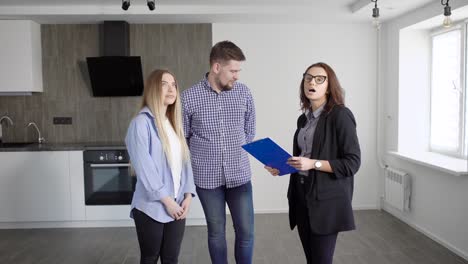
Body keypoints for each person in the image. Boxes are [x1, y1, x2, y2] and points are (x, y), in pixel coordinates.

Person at [265, 62, 361, 264]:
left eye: (319, 79)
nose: (312, 82)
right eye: (308, 78)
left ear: (329, 85)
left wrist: (313, 164)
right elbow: (303, 158)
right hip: (301, 195)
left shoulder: (341, 115)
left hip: (326, 201)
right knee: (311, 258)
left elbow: (352, 163)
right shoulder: (304, 119)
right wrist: (281, 166)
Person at [181, 40, 256, 264]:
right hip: (207, 179)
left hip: (240, 176)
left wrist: (232, 152)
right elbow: (184, 138)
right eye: (233, 70)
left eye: (238, 71)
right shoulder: (189, 97)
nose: (237, 76)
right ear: (216, 67)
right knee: (216, 233)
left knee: (246, 233)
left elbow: (249, 131)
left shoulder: (244, 93)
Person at [125, 69, 196, 264]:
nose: (171, 89)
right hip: (152, 207)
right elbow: (146, 169)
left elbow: (185, 163)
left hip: (178, 205)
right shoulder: (140, 124)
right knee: (150, 258)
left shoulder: (174, 125)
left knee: (171, 258)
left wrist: (188, 195)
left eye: (174, 84)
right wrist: (168, 202)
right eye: (164, 84)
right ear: (153, 89)